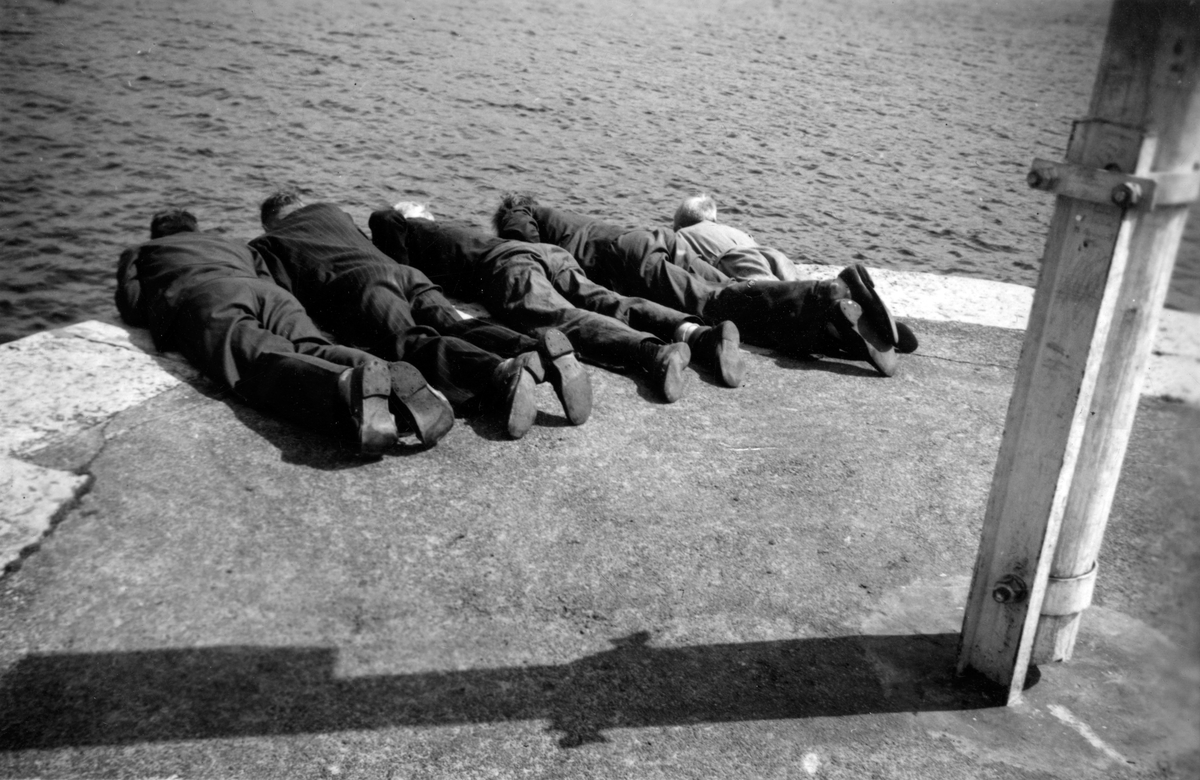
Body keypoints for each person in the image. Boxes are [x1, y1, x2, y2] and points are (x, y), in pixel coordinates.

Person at [248, 192, 591, 439]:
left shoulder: (268, 243)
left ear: (268, 224)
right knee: (455, 324)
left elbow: (278, 297)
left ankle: (500, 372)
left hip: (363, 287)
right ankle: (537, 350)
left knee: (409, 341)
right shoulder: (331, 211)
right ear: (301, 205)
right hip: (405, 274)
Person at [114, 209, 454, 456]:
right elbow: (266, 275)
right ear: (196, 227)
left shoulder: (143, 251)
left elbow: (131, 304)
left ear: (156, 234)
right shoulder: (231, 243)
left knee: (258, 360)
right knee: (311, 344)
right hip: (268, 293)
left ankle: (344, 387)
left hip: (208, 299)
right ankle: (389, 374)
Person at [492, 194, 912, 377]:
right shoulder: (568, 220)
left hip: (629, 258)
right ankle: (837, 329)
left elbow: (526, 248)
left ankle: (827, 292)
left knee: (715, 303)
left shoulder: (520, 210)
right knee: (733, 294)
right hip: (659, 243)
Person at [367, 201, 748, 403]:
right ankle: (698, 335)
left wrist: (396, 253)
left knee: (558, 317)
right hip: (546, 254)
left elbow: (383, 218)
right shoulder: (457, 234)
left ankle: (652, 353)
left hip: (508, 266)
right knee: (606, 300)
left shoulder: (410, 228)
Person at [670, 194, 803, 283]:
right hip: (773, 255)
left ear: (680, 226)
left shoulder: (682, 234)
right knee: (800, 292)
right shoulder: (735, 231)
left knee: (774, 298)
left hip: (740, 262)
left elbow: (678, 270)